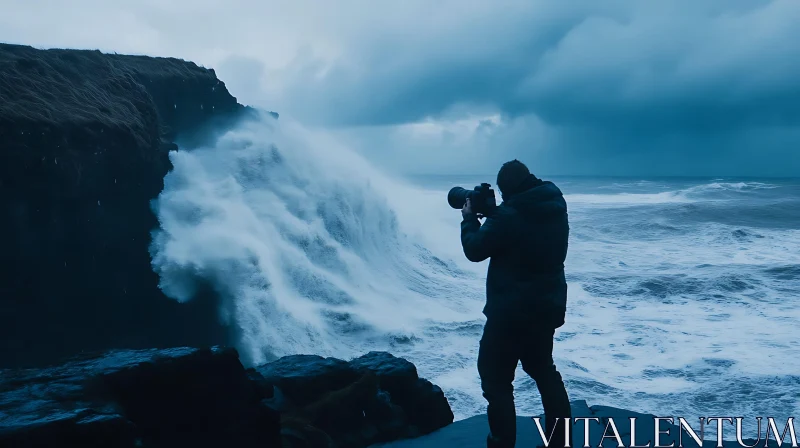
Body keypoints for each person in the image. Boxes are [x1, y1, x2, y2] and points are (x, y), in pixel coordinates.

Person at [460, 159, 572, 448]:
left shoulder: (510, 215)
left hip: (510, 314)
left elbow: (475, 250)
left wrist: (470, 218)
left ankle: (502, 443)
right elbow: (526, 235)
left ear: (507, 189)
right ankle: (560, 442)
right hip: (546, 307)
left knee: (495, 380)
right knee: (544, 371)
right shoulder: (554, 203)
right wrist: (497, 212)